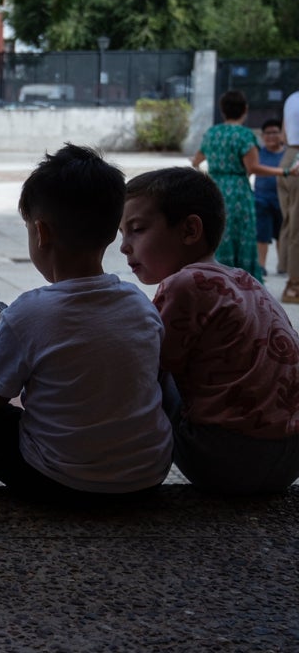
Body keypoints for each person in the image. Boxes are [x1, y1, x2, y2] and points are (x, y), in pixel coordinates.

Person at [0, 144, 172, 504]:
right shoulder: (141, 305)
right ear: (111, 233)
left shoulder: (27, 313)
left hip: (60, 485)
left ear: (41, 233)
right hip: (147, 478)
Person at [121, 167, 299, 494]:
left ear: (190, 229)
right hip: (290, 457)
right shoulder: (247, 281)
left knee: (142, 364)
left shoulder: (184, 284)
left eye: (137, 229)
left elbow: (146, 367)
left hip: (228, 460)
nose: (124, 247)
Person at [192, 90, 295, 281]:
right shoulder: (244, 135)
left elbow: (196, 161)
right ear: (245, 110)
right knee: (240, 237)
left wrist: (209, 177)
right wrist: (286, 171)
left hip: (214, 190)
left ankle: (216, 279)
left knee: (218, 235)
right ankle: (240, 284)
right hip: (238, 191)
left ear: (222, 111)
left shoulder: (212, 133)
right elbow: (253, 167)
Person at [254, 118, 285, 274]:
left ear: (282, 134)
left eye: (275, 132)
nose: (271, 136)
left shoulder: (289, 153)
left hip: (283, 201)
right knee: (262, 235)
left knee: (282, 234)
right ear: (262, 135)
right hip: (261, 200)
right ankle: (261, 266)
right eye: (267, 133)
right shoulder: (258, 152)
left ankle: (283, 265)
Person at [279, 91, 299, 299]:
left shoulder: (291, 98)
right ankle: (294, 285)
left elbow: (284, 136)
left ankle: (288, 272)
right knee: (297, 226)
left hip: (288, 157)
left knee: (289, 220)